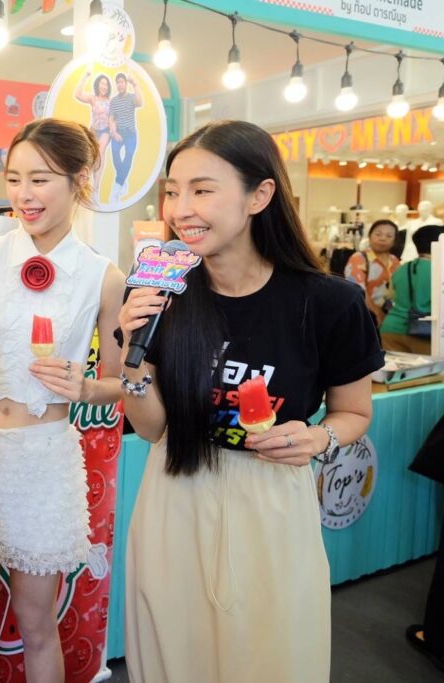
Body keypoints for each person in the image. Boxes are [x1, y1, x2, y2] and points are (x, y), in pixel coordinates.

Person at [118, 120, 384, 683]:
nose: (181, 209)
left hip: (272, 499)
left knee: (271, 654)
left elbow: (355, 412)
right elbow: (153, 429)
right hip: (174, 492)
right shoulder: (162, 295)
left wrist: (317, 437)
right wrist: (132, 360)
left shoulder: (330, 303)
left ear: (259, 195)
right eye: (173, 191)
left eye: (202, 190)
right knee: (174, 655)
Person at [0, 118, 125, 683]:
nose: (24, 194)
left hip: (44, 460)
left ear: (78, 180)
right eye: (14, 179)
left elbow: (121, 384)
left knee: (38, 625)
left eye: (40, 179)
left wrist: (85, 387)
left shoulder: (103, 277)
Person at [381, 225, 444, 355]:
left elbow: (389, 296)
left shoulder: (402, 268)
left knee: (398, 368)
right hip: (425, 332)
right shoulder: (439, 270)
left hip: (391, 329)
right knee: (429, 369)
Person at [344, 219, 400, 327]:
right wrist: (377, 313)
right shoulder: (359, 258)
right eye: (378, 234)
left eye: (389, 236)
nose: (383, 238)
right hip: (366, 316)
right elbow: (357, 292)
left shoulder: (394, 260)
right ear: (369, 236)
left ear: (395, 241)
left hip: (391, 317)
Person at [108, 72, 142, 203]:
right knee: (115, 153)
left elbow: (140, 102)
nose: (120, 85)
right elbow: (111, 118)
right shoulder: (114, 101)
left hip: (131, 133)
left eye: (122, 82)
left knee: (129, 154)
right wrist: (114, 132)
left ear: (126, 84)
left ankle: (117, 185)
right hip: (118, 132)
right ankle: (123, 180)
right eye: (118, 82)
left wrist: (135, 84)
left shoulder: (132, 97)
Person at [75, 71, 112, 192]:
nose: (104, 86)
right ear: (98, 85)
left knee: (101, 151)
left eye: (106, 84)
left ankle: (96, 186)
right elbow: (77, 94)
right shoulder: (93, 98)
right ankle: (87, 180)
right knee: (92, 155)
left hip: (106, 130)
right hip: (94, 129)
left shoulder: (110, 101)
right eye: (102, 84)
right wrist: (85, 77)